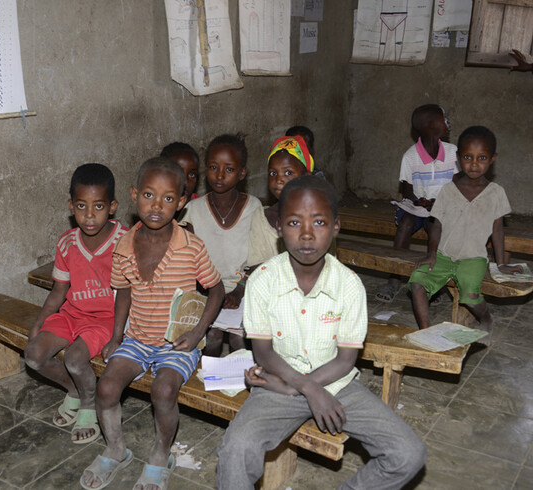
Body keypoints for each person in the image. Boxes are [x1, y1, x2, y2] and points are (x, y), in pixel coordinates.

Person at [217, 175, 427, 490]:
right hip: (279, 378)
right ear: (278, 228)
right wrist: (306, 390)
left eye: (318, 222)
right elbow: (263, 353)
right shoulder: (262, 280)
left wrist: (298, 388)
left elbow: (345, 361)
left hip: (334, 382)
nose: (305, 234)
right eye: (293, 222)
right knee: (236, 450)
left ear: (336, 226)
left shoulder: (349, 285)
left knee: (408, 453)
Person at [80, 157, 224, 490]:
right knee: (106, 387)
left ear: (182, 202)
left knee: (163, 391)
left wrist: (197, 332)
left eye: (168, 198)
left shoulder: (191, 247)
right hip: (137, 338)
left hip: (177, 342)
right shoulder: (124, 246)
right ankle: (116, 449)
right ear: (134, 195)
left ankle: (161, 452)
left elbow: (216, 289)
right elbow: (124, 293)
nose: (156, 205)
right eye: (148, 195)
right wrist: (116, 337)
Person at [24, 163, 127, 444]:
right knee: (33, 354)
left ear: (113, 206)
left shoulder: (124, 241)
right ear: (71, 206)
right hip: (72, 314)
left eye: (98, 206)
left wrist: (118, 336)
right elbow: (59, 290)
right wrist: (40, 321)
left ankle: (88, 405)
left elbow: (130, 293)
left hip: (106, 319)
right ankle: (75, 391)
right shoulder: (67, 243)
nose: (89, 215)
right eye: (82, 206)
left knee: (75, 358)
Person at [409, 126, 523, 339]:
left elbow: (498, 230)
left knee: (470, 297)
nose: (474, 163)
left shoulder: (496, 193)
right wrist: (432, 253)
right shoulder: (448, 190)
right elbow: (437, 224)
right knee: (417, 285)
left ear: (492, 159)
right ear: (458, 158)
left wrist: (501, 264)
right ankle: (427, 334)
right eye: (468, 157)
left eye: (482, 158)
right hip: (443, 255)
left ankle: (486, 318)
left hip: (473, 259)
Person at [182, 133, 269, 356]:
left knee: (239, 339)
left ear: (242, 173)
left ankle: (242, 387)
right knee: (212, 337)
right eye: (213, 167)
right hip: (206, 291)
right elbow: (187, 260)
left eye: (229, 169)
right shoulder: (193, 210)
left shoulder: (253, 208)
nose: (219, 175)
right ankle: (205, 385)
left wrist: (239, 292)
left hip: (245, 290)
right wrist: (206, 292)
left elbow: (262, 261)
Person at [376, 104, 458, 304]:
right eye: (443, 118)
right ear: (431, 126)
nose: (448, 122)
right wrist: (420, 201)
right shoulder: (411, 156)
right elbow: (406, 188)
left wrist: (439, 203)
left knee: (435, 228)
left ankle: (431, 282)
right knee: (405, 225)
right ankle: (394, 278)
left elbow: (457, 183)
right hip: (416, 206)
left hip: (442, 208)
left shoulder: (452, 152)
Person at [248, 135, 313, 266]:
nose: (279, 180)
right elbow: (256, 267)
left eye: (288, 173)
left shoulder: (319, 219)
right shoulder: (261, 218)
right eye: (273, 173)